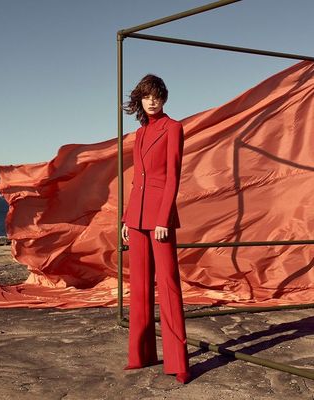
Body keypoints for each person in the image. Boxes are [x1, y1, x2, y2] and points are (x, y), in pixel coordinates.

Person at [121, 74, 191, 384]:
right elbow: (137, 179)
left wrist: (164, 218)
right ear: (141, 99)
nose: (153, 101)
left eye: (157, 96)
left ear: (164, 99)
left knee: (169, 287)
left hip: (160, 220)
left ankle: (179, 364)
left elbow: (173, 176)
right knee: (139, 288)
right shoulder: (138, 134)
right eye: (148, 96)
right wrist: (126, 217)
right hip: (136, 218)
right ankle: (141, 355)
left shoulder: (173, 128)